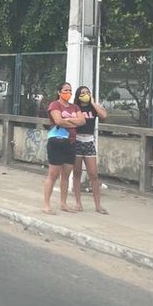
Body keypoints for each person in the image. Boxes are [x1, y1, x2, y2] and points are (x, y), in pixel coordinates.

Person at [43, 82, 86, 214]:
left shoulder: (75, 107)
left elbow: (83, 121)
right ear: (59, 92)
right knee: (53, 174)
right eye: (66, 90)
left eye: (70, 90)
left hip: (71, 142)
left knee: (66, 175)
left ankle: (63, 203)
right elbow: (58, 121)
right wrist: (73, 122)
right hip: (57, 142)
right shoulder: (54, 105)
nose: (68, 92)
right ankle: (46, 204)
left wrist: (66, 121)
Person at [72, 85, 108, 214]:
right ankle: (78, 203)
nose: (85, 94)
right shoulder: (75, 108)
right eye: (83, 93)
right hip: (77, 140)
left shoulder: (93, 109)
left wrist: (93, 102)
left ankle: (98, 205)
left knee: (93, 174)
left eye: (87, 92)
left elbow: (103, 115)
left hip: (89, 141)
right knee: (76, 173)